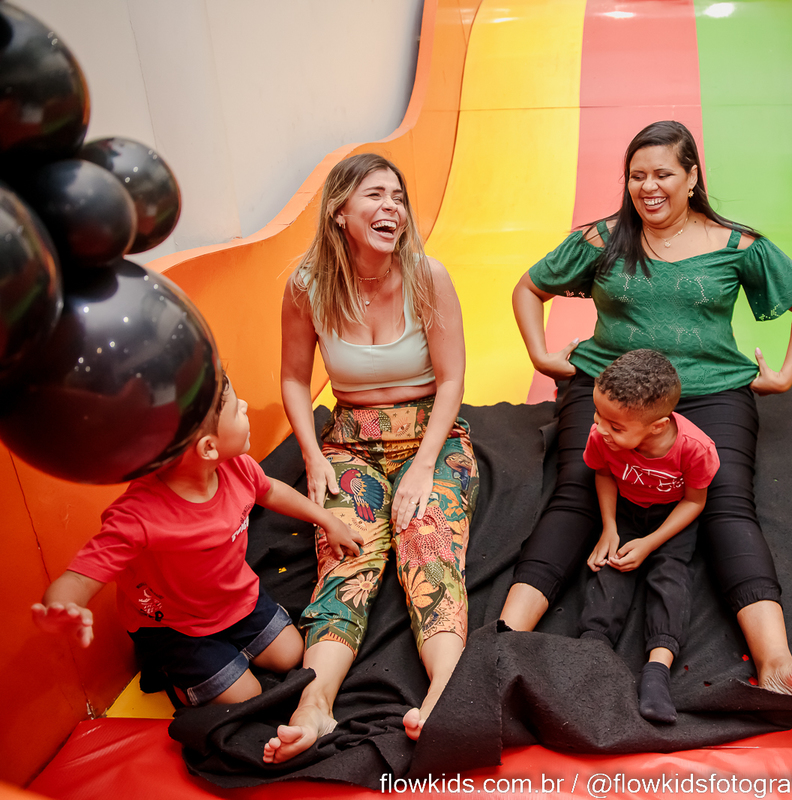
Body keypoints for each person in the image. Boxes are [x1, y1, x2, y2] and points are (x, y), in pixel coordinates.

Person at [503, 120, 792, 702]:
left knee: (727, 504)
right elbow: (528, 288)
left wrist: (785, 373)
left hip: (710, 390)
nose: (648, 187)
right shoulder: (601, 240)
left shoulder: (737, 246)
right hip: (610, 388)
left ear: (691, 177)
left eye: (662, 174)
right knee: (575, 492)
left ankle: (776, 664)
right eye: (637, 176)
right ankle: (502, 640)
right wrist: (540, 355)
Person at [274, 153, 476, 759]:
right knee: (345, 555)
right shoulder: (306, 285)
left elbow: (452, 378)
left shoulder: (427, 275)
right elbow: (292, 378)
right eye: (375, 195)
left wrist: (424, 466)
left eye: (398, 197)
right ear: (340, 211)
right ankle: (315, 704)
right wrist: (313, 455)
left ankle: (445, 690)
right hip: (349, 440)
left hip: (430, 434)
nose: (393, 208)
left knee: (426, 540)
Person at [31, 374, 363, 708]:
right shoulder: (137, 516)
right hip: (176, 626)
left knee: (290, 654)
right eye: (235, 409)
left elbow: (271, 490)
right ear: (208, 447)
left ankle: (225, 654)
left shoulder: (235, 466)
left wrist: (327, 520)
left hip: (233, 597)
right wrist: (64, 606)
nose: (245, 406)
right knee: (245, 696)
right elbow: (78, 578)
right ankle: (173, 671)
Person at [580, 349, 719, 723]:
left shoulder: (695, 449)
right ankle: (591, 652)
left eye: (615, 426)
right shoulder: (602, 437)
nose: (600, 429)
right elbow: (604, 474)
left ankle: (657, 671)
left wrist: (651, 543)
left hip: (671, 520)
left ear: (656, 426)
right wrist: (609, 528)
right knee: (609, 574)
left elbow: (694, 502)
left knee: (670, 578)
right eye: (597, 415)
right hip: (626, 513)